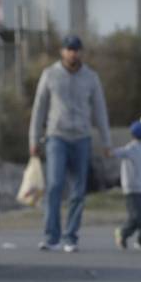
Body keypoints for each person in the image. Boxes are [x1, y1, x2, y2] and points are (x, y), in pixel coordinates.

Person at [29, 34, 111, 252]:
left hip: (82, 138)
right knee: (55, 185)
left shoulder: (91, 77)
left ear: (81, 52)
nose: (73, 53)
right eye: (69, 49)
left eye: (76, 49)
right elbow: (39, 109)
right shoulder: (50, 75)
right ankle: (51, 236)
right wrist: (33, 139)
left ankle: (70, 237)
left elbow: (100, 110)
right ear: (62, 52)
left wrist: (106, 141)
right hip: (57, 136)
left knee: (78, 189)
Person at [111, 120, 141, 251]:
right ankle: (122, 232)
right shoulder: (131, 148)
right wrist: (109, 151)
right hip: (132, 189)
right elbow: (119, 152)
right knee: (136, 218)